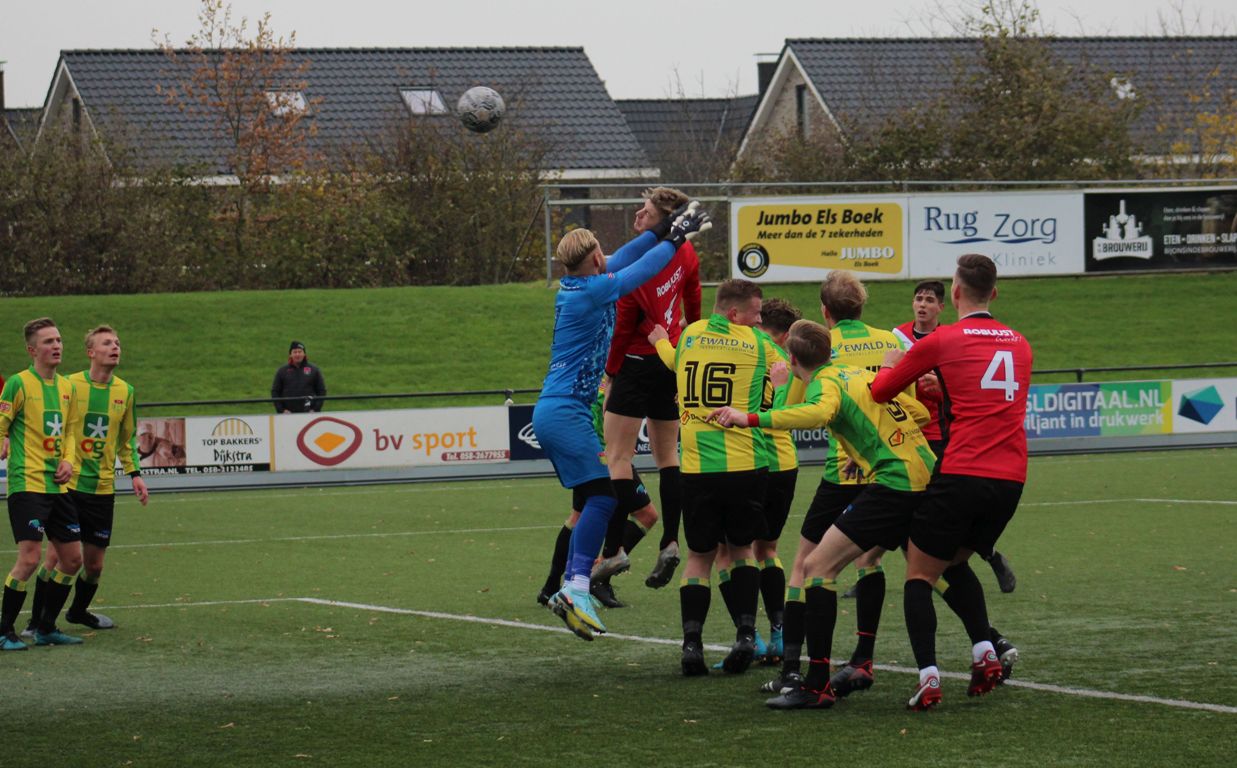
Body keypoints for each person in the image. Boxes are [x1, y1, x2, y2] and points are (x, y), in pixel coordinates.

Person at [710, 318, 934, 709]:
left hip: (896, 482)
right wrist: (864, 448)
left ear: (793, 360)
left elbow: (816, 413)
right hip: (924, 473)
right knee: (924, 568)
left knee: (816, 569)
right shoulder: (859, 373)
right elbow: (919, 413)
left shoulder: (825, 382)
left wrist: (749, 417)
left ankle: (816, 686)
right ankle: (986, 645)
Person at [536, 203, 712, 641]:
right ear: (597, 257)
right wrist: (676, 239)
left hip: (557, 410)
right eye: (604, 254)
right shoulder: (596, 290)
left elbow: (631, 254)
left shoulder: (580, 282)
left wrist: (665, 228)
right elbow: (641, 269)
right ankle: (575, 587)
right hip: (566, 412)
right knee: (602, 497)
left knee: (592, 498)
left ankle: (569, 586)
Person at [871, 253, 1033, 711]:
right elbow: (987, 395)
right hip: (1011, 480)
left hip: (963, 471)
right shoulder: (1021, 344)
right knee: (954, 563)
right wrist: (944, 390)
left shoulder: (942, 339)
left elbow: (882, 392)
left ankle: (929, 676)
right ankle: (984, 650)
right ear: (994, 293)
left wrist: (887, 364)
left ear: (955, 293)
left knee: (919, 573)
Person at [761, 270, 905, 695]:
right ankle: (863, 657)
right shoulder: (889, 341)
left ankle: (793, 669)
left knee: (805, 565)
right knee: (871, 560)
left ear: (825, 311)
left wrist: (780, 384)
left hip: (841, 470)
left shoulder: (822, 346)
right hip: (885, 467)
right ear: (862, 305)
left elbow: (793, 412)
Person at [648, 278, 779, 676]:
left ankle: (692, 646)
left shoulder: (690, 335)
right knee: (742, 551)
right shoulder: (758, 344)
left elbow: (673, 361)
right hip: (744, 464)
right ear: (735, 313)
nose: (759, 321)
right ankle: (745, 633)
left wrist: (659, 340)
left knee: (699, 558)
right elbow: (788, 371)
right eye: (755, 314)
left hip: (697, 468)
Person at [601, 186, 701, 592]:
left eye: (644, 213)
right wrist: (687, 342)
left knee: (617, 459)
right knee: (668, 459)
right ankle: (670, 541)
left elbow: (624, 322)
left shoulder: (641, 262)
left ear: (662, 221)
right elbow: (693, 296)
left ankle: (612, 550)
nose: (637, 217)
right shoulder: (686, 252)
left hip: (636, 361)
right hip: (668, 359)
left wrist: (611, 374)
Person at [893, 280, 1018, 595]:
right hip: (905, 435)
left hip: (938, 436)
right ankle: (870, 570)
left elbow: (963, 392)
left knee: (927, 515)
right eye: (918, 299)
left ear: (941, 306)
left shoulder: (950, 339)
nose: (922, 305)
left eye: (929, 300)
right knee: (902, 510)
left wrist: (938, 390)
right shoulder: (896, 337)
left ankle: (982, 554)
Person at [25, 326, 149, 635]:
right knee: (56, 558)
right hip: (68, 486)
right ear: (91, 352)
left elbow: (126, 440)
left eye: (117, 342)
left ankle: (77, 612)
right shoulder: (69, 385)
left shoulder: (126, 391)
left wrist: (134, 474)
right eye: (107, 343)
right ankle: (36, 622)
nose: (115, 347)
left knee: (94, 566)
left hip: (102, 489)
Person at [0, 318, 82, 650]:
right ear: (32, 350)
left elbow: (70, 432)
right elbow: (1, 422)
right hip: (28, 483)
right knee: (31, 559)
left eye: (58, 339)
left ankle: (46, 627)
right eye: (48, 341)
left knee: (72, 559)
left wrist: (69, 461)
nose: (57, 345)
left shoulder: (67, 387)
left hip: (57, 486)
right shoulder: (18, 384)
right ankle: (4, 631)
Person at [272, 341, 326, 414]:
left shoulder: (314, 370)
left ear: (304, 354)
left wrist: (315, 409)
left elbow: (322, 391)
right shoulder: (282, 371)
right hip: (287, 415)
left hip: (309, 414)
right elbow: (275, 392)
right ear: (290, 354)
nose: (297, 354)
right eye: (295, 352)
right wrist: (281, 410)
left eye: (300, 352)